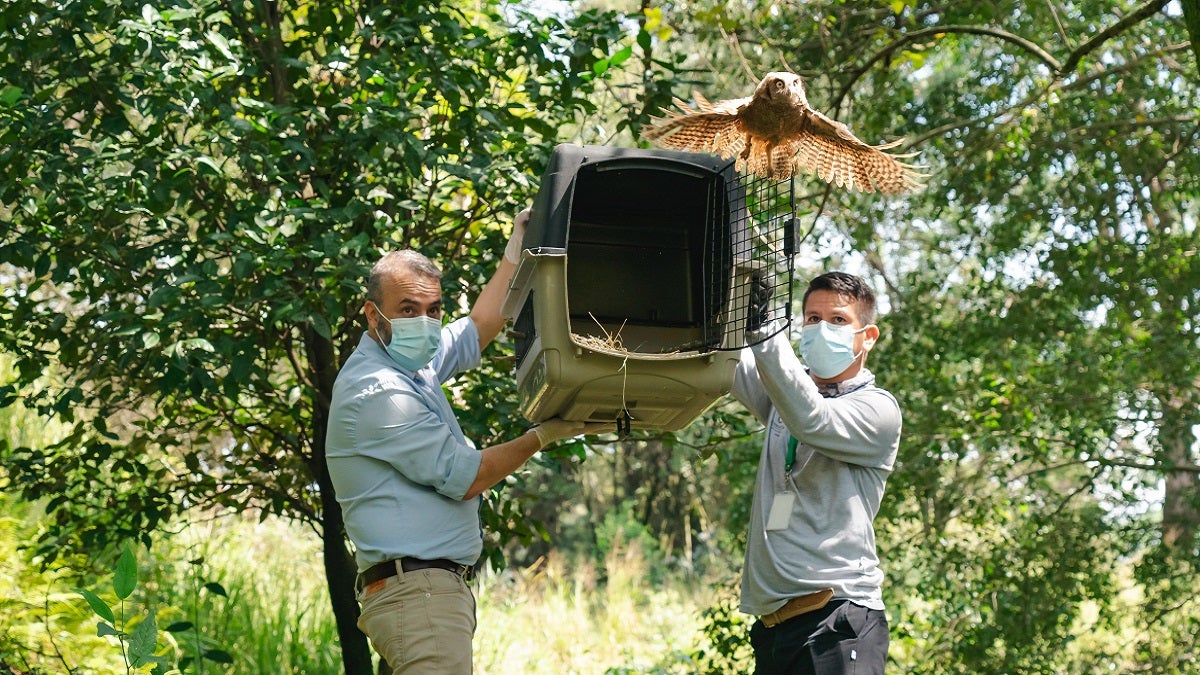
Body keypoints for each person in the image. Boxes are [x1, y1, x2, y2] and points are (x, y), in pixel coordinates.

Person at [325, 209, 610, 674]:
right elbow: (467, 476)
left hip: (423, 593)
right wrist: (545, 434)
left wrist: (516, 249)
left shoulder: (410, 365)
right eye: (408, 310)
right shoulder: (379, 389)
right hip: (417, 596)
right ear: (373, 315)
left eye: (433, 309)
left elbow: (479, 326)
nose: (425, 321)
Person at [731, 271, 902, 675]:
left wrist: (764, 328)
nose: (822, 329)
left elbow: (812, 418)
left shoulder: (877, 410)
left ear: (868, 336)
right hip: (774, 630)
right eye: (812, 318)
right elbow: (728, 364)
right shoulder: (785, 399)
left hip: (838, 624)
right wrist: (730, 302)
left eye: (839, 320)